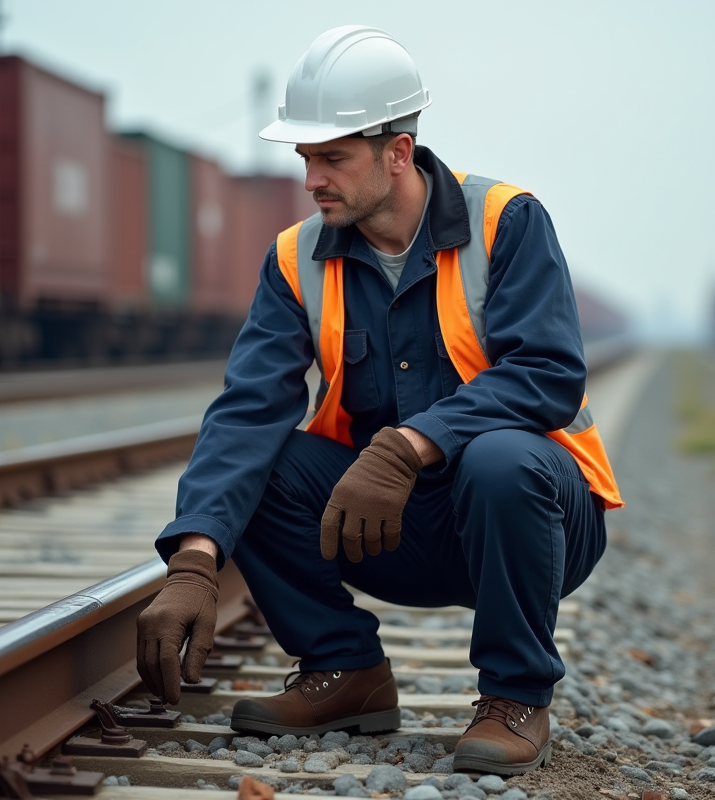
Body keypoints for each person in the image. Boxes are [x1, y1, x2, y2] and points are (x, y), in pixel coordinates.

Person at [135, 24, 622, 776]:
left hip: (535, 522)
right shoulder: (296, 257)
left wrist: (407, 445)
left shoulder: (507, 222)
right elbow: (246, 410)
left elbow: (549, 375)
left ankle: (516, 697)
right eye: (306, 158)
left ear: (398, 152)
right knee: (265, 459)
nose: (312, 179)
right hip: (386, 529)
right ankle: (345, 671)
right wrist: (195, 558)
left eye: (332, 157)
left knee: (500, 457)